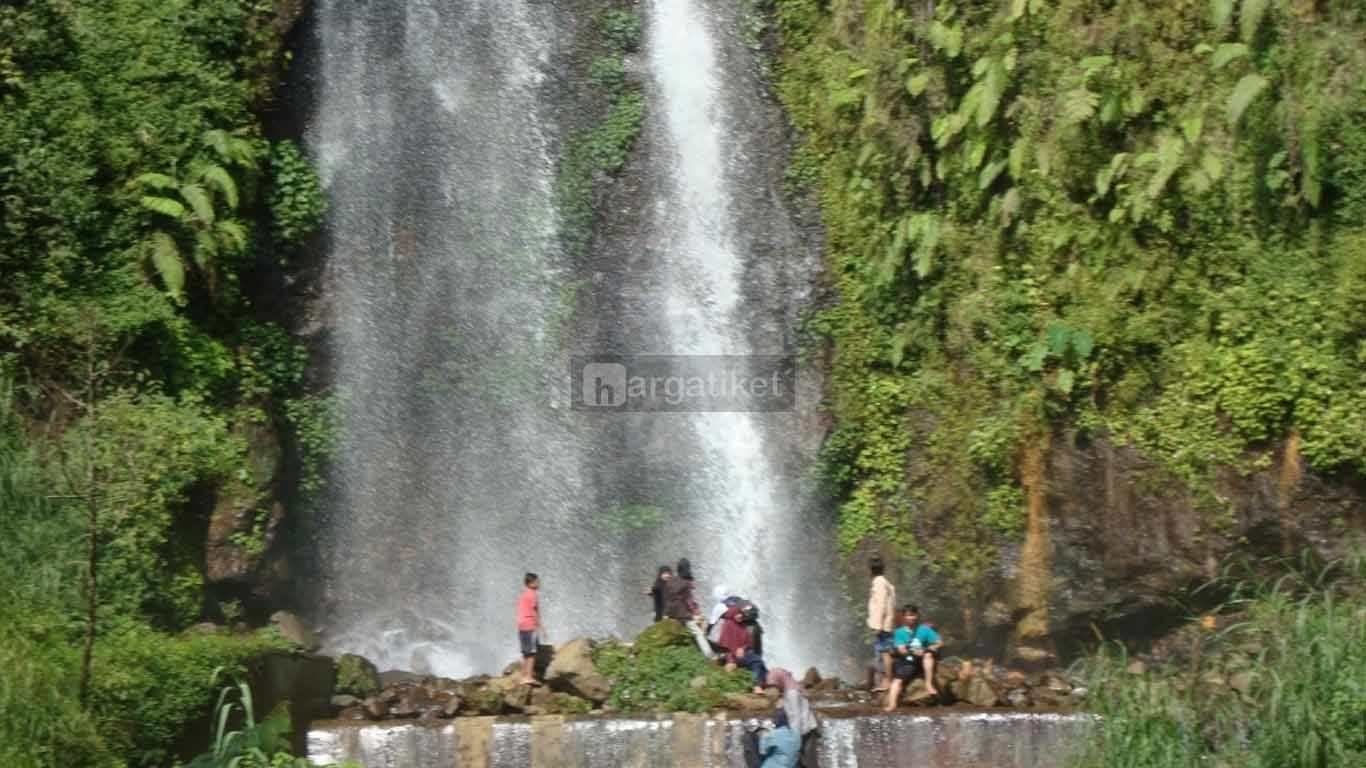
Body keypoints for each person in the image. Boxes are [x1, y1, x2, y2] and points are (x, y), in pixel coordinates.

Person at [883, 604, 943, 711]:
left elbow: (939, 642)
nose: (911, 618)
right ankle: (892, 704)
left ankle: (928, 684)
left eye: (913, 615)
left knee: (928, 655)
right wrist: (913, 653)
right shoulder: (899, 632)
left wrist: (931, 647)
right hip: (908, 660)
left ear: (917, 615)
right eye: (908, 615)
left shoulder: (924, 629)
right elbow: (901, 649)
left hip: (923, 658)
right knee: (898, 680)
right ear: (904, 617)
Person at [663, 558, 714, 658]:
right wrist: (696, 612)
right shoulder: (686, 583)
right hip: (682, 613)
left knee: (675, 633)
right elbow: (689, 600)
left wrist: (666, 613)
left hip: (671, 613)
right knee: (698, 633)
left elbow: (667, 599)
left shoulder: (671, 581)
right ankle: (709, 655)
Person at [768, 668, 819, 767]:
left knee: (808, 762)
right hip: (806, 729)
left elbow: (796, 717)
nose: (776, 687)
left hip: (804, 731)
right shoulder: (792, 687)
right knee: (805, 761)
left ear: (780, 680)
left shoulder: (792, 693)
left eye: (775, 684)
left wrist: (795, 739)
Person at [717, 601, 767, 693]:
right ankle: (756, 685)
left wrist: (742, 648)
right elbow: (724, 646)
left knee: (758, 662)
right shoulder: (727, 625)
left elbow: (748, 643)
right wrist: (731, 661)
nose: (740, 616)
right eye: (738, 614)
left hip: (742, 654)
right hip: (731, 656)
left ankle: (758, 685)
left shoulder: (742, 626)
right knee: (756, 661)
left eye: (741, 614)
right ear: (733, 613)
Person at [866, 556, 896, 692]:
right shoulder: (886, 582)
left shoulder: (878, 582)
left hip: (883, 624)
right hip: (887, 623)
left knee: (884, 653)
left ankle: (887, 681)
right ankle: (883, 681)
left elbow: (881, 604)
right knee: (882, 652)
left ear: (871, 570)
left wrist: (877, 626)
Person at [516, 572, 544, 686]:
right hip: (530, 625)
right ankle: (529, 676)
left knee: (525, 652)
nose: (539, 583)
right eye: (537, 581)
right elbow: (534, 611)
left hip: (521, 625)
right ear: (531, 583)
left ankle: (523, 676)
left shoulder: (523, 594)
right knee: (532, 653)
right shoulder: (533, 594)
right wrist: (540, 626)